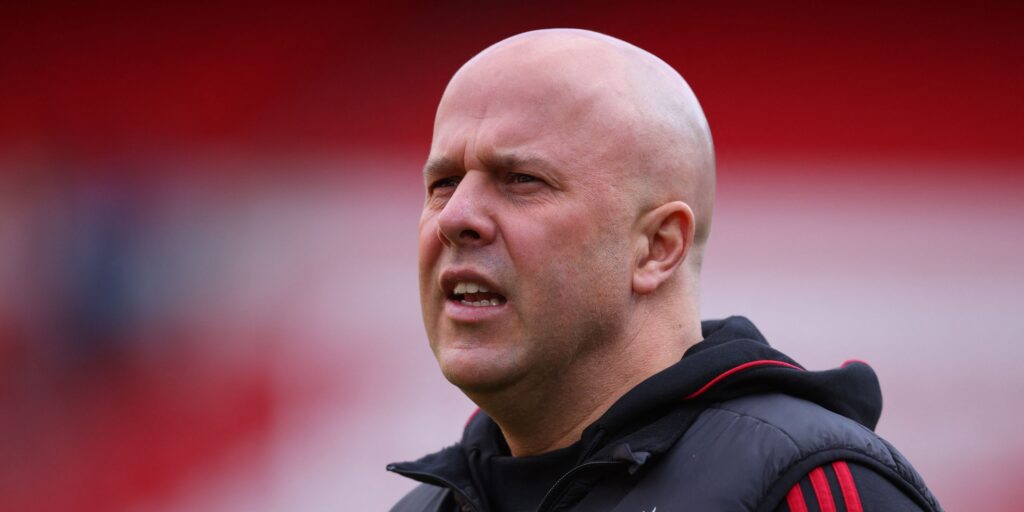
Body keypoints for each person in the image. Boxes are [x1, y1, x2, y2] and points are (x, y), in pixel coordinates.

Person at [388, 29, 943, 512]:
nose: (455, 217)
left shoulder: (805, 487)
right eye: (443, 183)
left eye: (521, 180)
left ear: (657, 246)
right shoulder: (425, 504)